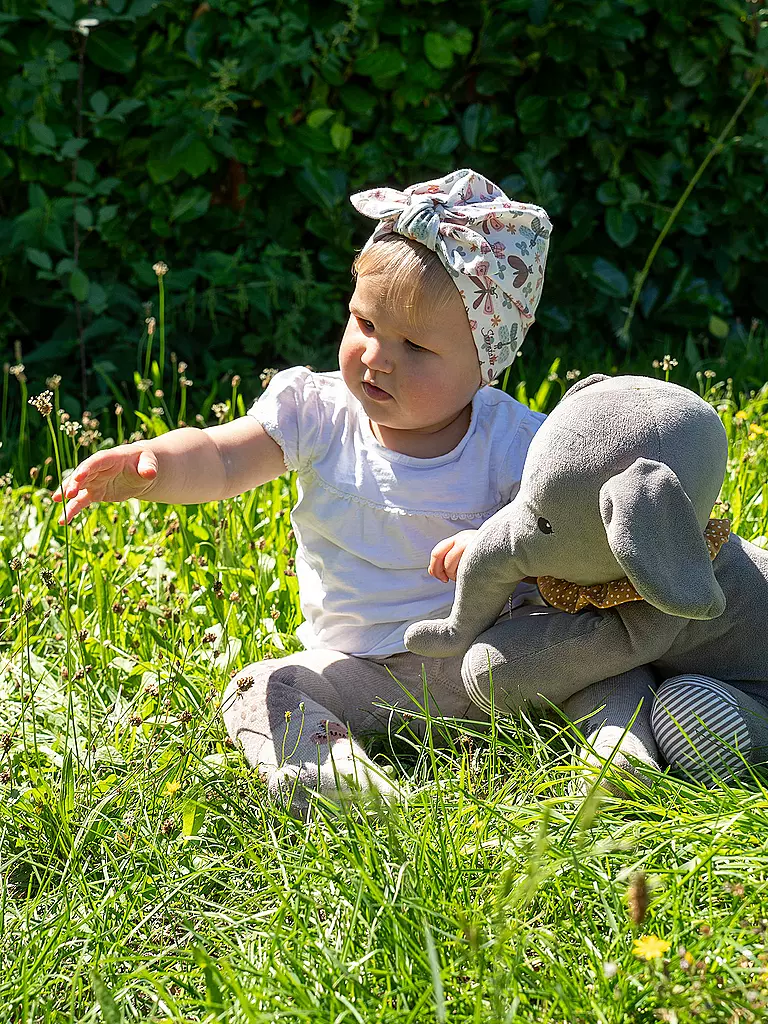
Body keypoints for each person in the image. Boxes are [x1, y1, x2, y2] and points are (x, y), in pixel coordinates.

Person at [54, 168, 552, 812]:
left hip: (489, 657)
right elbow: (223, 457)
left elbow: (562, 523)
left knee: (592, 643)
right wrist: (156, 464)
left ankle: (628, 736)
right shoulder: (316, 411)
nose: (377, 357)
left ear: (488, 360)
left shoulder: (513, 441)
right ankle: (342, 778)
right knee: (261, 687)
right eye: (366, 324)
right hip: (361, 673)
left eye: (416, 346)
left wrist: (495, 542)